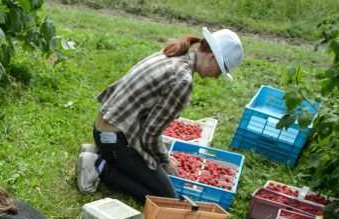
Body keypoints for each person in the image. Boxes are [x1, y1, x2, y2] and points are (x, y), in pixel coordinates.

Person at [79, 27, 244, 202]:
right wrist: (165, 161)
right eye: (220, 71)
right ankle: (100, 166)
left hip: (104, 129)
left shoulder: (175, 53)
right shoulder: (183, 80)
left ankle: (101, 152)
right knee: (165, 197)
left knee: (147, 170)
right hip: (116, 139)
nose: (216, 77)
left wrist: (159, 157)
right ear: (212, 59)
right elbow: (150, 135)